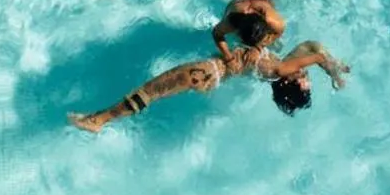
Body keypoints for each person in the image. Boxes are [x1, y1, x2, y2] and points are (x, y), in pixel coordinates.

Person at [70, 40, 348, 133]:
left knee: (152, 92)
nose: (307, 76)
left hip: (208, 73)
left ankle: (100, 120)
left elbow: (316, 55)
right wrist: (333, 67)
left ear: (288, 81)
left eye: (305, 81)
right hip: (211, 74)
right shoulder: (278, 66)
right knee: (152, 91)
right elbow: (313, 47)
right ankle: (100, 119)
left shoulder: (278, 68)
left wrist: (334, 73)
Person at [212, 0, 286, 58]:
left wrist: (258, 47)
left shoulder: (275, 22)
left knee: (278, 47)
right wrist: (228, 57)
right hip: (239, 4)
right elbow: (216, 33)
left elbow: (279, 32)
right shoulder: (233, 20)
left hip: (262, 1)